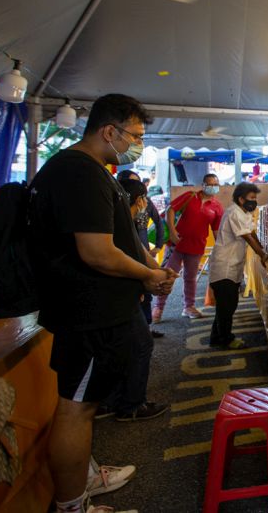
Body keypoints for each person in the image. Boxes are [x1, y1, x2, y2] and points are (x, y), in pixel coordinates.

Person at [29, 93, 175, 513]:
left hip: (97, 311)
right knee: (76, 409)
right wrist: (148, 275)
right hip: (89, 314)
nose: (138, 144)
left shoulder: (92, 170)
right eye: (135, 135)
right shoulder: (79, 173)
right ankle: (73, 504)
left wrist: (149, 265)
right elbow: (96, 251)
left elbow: (120, 236)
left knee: (83, 405)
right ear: (109, 131)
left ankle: (86, 475)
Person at [94, 178, 170, 422]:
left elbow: (139, 252)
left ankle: (113, 400)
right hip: (116, 296)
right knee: (140, 345)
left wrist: (158, 272)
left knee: (120, 349)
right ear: (139, 200)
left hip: (118, 294)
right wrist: (151, 277)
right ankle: (132, 404)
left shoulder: (116, 221)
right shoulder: (117, 223)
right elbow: (124, 258)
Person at [207, 182, 268, 348]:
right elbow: (247, 237)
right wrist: (262, 254)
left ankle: (216, 337)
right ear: (241, 199)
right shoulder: (234, 213)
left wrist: (263, 248)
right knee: (227, 306)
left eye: (255, 198)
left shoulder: (245, 212)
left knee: (226, 305)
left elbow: (252, 233)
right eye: (251, 198)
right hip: (224, 267)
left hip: (232, 266)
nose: (254, 202)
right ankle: (226, 339)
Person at [153, 173, 223, 321]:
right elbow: (170, 210)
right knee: (168, 275)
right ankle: (158, 308)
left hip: (196, 246)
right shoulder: (190, 196)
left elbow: (216, 230)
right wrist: (172, 233)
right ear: (203, 185)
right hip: (176, 245)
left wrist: (221, 248)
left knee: (190, 278)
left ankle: (188, 307)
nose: (213, 187)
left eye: (216, 184)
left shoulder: (217, 207)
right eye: (210, 184)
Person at [117, 170, 165, 338]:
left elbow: (159, 223)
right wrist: (154, 274)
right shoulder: (117, 223)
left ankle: (145, 327)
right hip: (129, 264)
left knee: (145, 296)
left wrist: (158, 247)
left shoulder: (144, 207)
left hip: (142, 252)